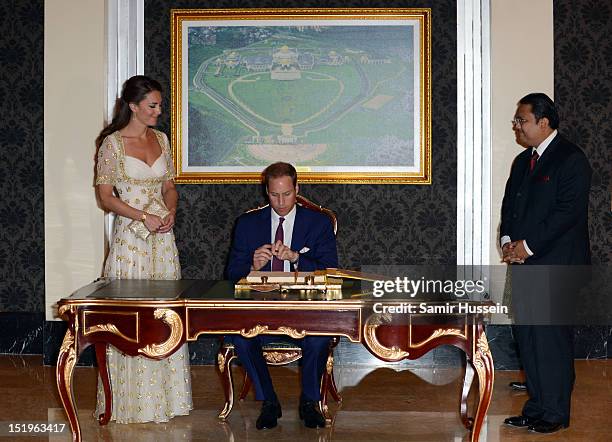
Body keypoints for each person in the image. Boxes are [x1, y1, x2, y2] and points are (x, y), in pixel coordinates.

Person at [94, 75, 192, 423]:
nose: (158, 111)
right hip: (131, 243)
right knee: (133, 319)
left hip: (163, 243)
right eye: (153, 105)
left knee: (165, 314)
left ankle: (167, 401)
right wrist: (143, 217)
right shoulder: (112, 145)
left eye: (159, 105)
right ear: (133, 106)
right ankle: (131, 403)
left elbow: (170, 187)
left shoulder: (162, 139)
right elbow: (105, 198)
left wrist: (170, 211)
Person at [500, 93, 591, 434]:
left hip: (557, 266)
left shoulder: (571, 159)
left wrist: (529, 246)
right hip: (524, 265)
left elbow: (567, 214)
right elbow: (509, 207)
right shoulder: (523, 162)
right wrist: (509, 242)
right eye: (517, 120)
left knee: (550, 341)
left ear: (544, 122)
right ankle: (536, 407)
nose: (517, 126)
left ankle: (554, 413)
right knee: (529, 340)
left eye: (521, 120)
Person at [226, 162, 338, 430]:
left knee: (319, 338)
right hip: (261, 311)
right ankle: (269, 402)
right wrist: (253, 266)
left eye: (287, 194)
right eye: (274, 195)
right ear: (266, 191)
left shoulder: (318, 223)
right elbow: (230, 274)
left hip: (306, 310)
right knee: (241, 337)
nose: (281, 202)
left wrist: (297, 258)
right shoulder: (247, 224)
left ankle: (310, 402)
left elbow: (331, 270)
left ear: (297, 189)